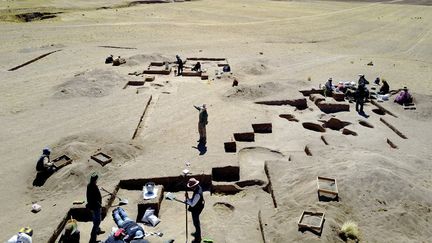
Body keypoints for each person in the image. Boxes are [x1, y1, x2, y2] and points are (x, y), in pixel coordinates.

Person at [185, 178, 205, 243]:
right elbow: (193, 201)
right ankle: (197, 232)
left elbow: (192, 204)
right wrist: (188, 199)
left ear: (194, 186)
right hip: (198, 205)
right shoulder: (198, 187)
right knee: (195, 222)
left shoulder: (197, 194)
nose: (190, 188)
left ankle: (198, 238)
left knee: (196, 222)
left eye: (191, 187)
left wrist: (187, 198)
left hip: (197, 208)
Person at [86, 172, 104, 243]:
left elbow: (89, 197)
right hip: (95, 206)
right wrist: (99, 204)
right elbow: (96, 198)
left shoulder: (89, 185)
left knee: (95, 219)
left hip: (91, 206)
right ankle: (93, 238)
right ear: (95, 180)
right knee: (97, 221)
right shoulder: (93, 187)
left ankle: (98, 230)